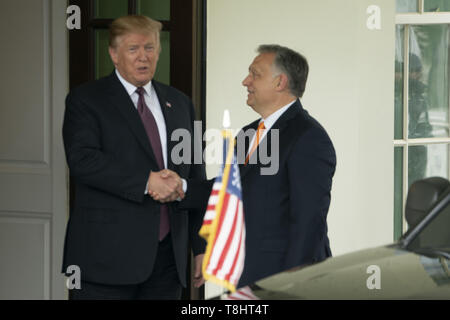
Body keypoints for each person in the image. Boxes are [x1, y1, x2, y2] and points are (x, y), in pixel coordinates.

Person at [62, 15, 206, 300]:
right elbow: (82, 160)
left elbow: (195, 178)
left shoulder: (180, 103)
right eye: (133, 49)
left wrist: (201, 247)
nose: (143, 57)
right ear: (114, 54)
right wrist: (147, 181)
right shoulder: (85, 100)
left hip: (167, 261)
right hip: (105, 260)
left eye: (150, 48)